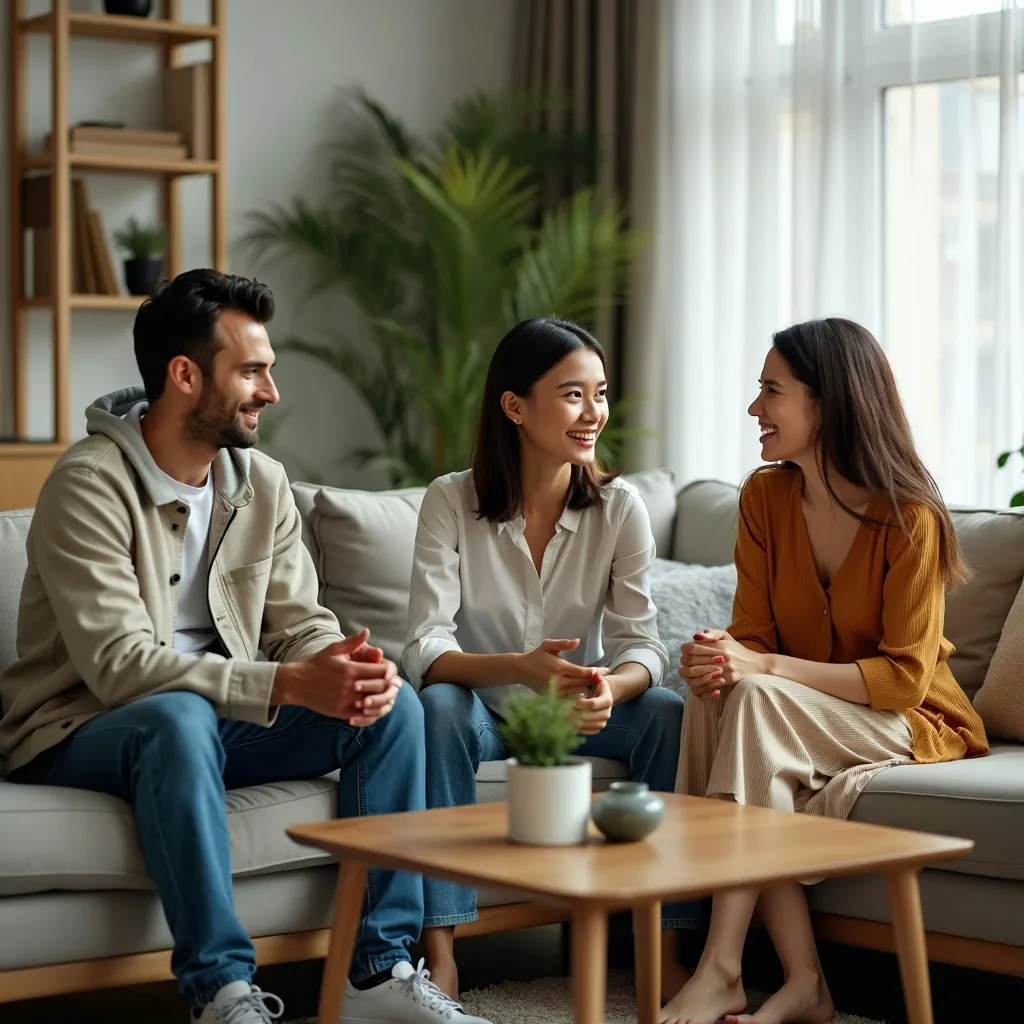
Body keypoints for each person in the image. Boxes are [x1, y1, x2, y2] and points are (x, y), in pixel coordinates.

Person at [0, 270, 495, 1024]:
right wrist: (287, 685)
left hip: (217, 720)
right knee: (178, 716)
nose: (270, 391)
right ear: (185, 374)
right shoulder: (88, 485)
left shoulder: (260, 483)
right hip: (80, 725)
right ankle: (222, 991)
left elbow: (299, 622)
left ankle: (376, 973)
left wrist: (339, 664)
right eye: (253, 371)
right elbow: (117, 665)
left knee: (392, 705)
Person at [662, 317, 989, 1024]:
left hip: (908, 719)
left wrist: (765, 665)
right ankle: (805, 981)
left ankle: (722, 966)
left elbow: (904, 681)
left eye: (770, 391)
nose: (755, 410)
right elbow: (749, 637)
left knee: (753, 702)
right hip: (800, 711)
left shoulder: (912, 518)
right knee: (718, 698)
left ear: (829, 403)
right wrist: (718, 658)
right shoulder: (764, 499)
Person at [402, 318, 698, 1001]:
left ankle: (669, 946)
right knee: (438, 709)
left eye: (599, 393)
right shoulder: (450, 500)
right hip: (484, 707)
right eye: (572, 394)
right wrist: (517, 666)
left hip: (573, 708)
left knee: (664, 713)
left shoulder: (621, 508)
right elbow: (426, 646)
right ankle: (441, 950)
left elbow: (641, 646)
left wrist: (609, 690)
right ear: (515, 406)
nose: (593, 412)